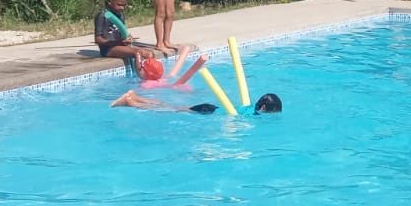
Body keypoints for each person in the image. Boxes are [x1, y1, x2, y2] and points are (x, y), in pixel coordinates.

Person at [94, 0, 158, 63]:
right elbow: (98, 39)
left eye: (124, 5)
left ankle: (150, 70)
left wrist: (128, 37)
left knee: (150, 53)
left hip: (120, 45)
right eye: (119, 5)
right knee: (137, 53)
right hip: (108, 49)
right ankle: (140, 71)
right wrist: (118, 42)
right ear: (110, 1)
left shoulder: (121, 15)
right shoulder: (102, 16)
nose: (122, 8)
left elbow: (122, 30)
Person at [112, 91, 283, 114]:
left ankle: (136, 97)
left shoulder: (250, 108)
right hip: (208, 111)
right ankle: (131, 102)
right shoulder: (253, 115)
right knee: (170, 111)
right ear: (263, 108)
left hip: (211, 107)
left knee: (172, 107)